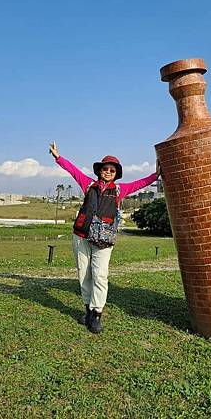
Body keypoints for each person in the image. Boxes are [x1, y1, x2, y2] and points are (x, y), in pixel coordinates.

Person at [49, 141, 160, 334]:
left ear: (116, 174)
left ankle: (97, 313)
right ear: (100, 170)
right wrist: (58, 158)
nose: (108, 172)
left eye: (112, 170)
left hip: (104, 240)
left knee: (100, 275)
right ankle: (88, 310)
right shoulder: (88, 185)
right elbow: (73, 171)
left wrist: (156, 175)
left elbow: (141, 183)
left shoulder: (119, 190)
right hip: (81, 236)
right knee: (84, 273)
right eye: (105, 168)